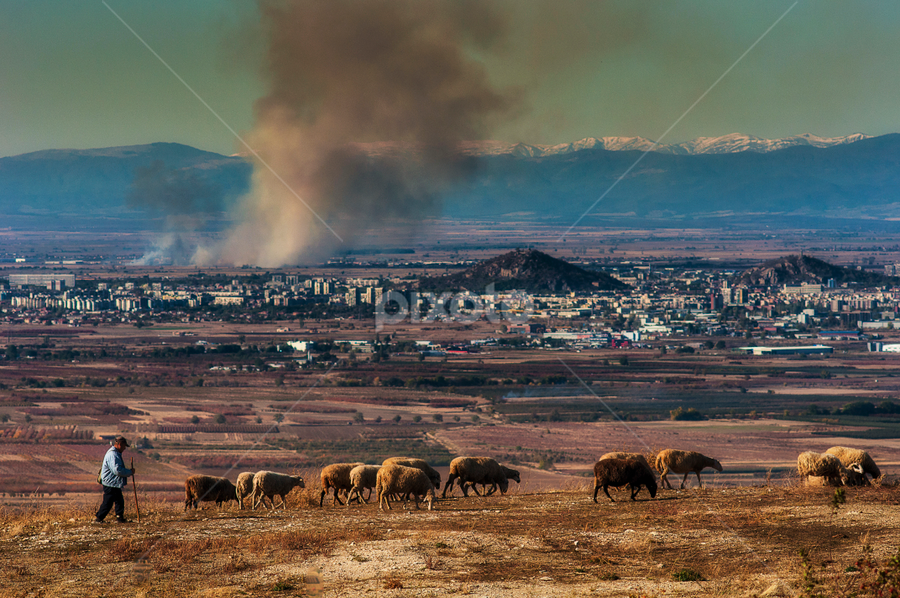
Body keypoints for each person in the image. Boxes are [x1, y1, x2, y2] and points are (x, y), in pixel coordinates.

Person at [94, 436, 135, 523]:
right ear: (120, 445)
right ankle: (99, 518)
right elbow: (117, 471)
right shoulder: (113, 455)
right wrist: (129, 472)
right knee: (108, 502)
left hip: (113, 482)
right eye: (124, 446)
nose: (124, 449)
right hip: (110, 482)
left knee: (119, 500)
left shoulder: (114, 453)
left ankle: (120, 518)